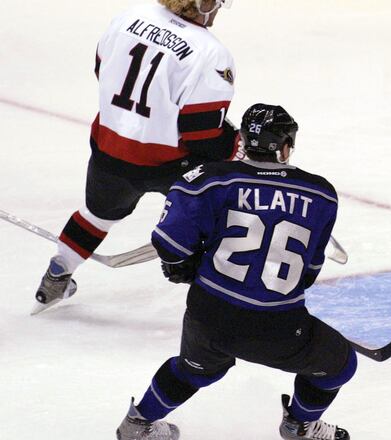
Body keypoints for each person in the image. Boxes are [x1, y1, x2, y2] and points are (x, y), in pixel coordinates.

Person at [115, 104, 356, 440]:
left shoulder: (208, 180)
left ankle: (138, 424)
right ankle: (299, 425)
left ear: (243, 140)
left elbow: (171, 248)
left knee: (193, 370)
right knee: (339, 364)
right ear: (285, 147)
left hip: (210, 316)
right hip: (279, 327)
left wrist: (184, 264)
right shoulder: (320, 193)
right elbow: (308, 274)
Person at [33, 0, 239, 314]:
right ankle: (223, 296)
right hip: (170, 164)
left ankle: (57, 274)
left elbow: (102, 67)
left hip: (110, 148)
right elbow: (200, 134)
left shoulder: (130, 16)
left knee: (96, 215)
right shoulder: (212, 52)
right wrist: (236, 144)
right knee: (222, 211)